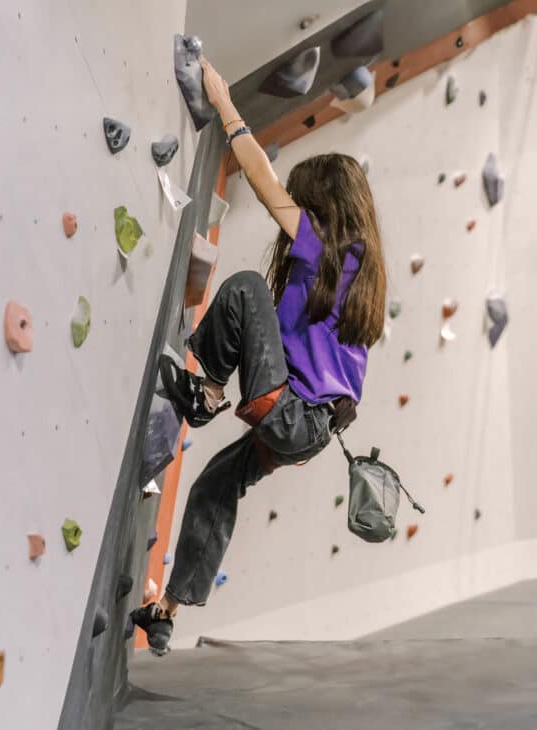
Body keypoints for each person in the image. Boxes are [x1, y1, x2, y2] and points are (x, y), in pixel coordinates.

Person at [131, 58, 386, 655]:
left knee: (245, 286)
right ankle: (166, 612)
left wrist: (225, 105)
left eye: (305, 203)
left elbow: (264, 182)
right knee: (215, 486)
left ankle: (207, 393)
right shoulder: (359, 277)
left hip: (293, 412)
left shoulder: (329, 250)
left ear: (322, 205)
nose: (292, 214)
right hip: (308, 428)